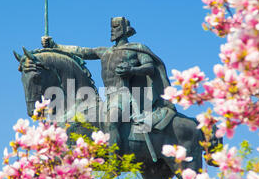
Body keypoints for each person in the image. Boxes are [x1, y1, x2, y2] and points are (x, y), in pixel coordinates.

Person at [41, 17, 175, 154]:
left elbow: (150, 67)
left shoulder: (137, 48)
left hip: (126, 95)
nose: (112, 31)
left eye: (116, 27)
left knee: (110, 122)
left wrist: (132, 70)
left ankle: (113, 163)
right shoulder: (105, 51)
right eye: (111, 27)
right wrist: (55, 45)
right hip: (109, 96)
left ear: (125, 30)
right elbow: (81, 51)